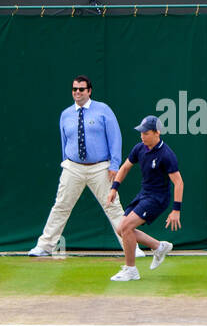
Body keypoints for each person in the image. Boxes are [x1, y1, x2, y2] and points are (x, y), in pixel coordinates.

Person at [29, 76, 132, 257]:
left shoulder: (103, 110)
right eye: (75, 89)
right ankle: (45, 245)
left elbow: (115, 138)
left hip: (100, 167)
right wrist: (66, 163)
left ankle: (130, 246)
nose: (77, 92)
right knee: (61, 206)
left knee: (113, 206)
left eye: (81, 89)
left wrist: (114, 165)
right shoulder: (66, 114)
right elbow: (64, 141)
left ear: (89, 91)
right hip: (72, 167)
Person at [105, 115, 181, 282]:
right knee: (122, 229)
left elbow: (178, 182)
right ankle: (158, 246)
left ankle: (131, 270)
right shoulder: (139, 148)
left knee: (125, 227)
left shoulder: (166, 155)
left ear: (157, 133)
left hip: (157, 199)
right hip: (144, 194)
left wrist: (176, 210)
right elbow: (124, 168)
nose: (142, 136)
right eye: (141, 132)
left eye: (146, 133)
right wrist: (114, 189)